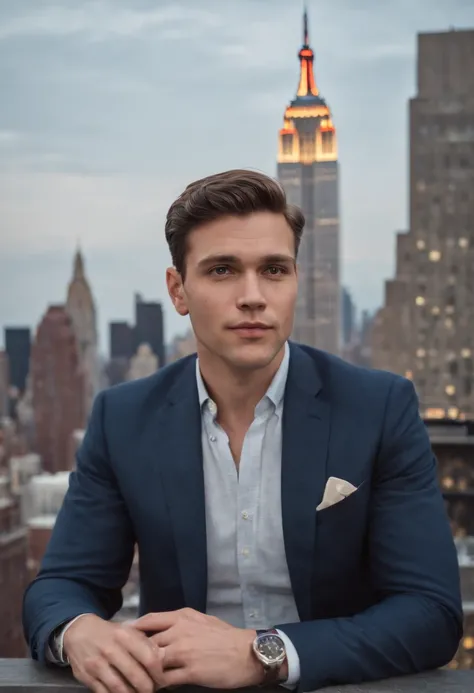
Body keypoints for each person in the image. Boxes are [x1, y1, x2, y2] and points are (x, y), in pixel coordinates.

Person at [23, 169, 462, 692]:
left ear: (297, 281)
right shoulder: (123, 417)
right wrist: (79, 631)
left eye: (274, 270)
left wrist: (263, 652)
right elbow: (62, 586)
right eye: (223, 270)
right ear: (178, 290)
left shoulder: (378, 407)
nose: (253, 296)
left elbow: (431, 613)